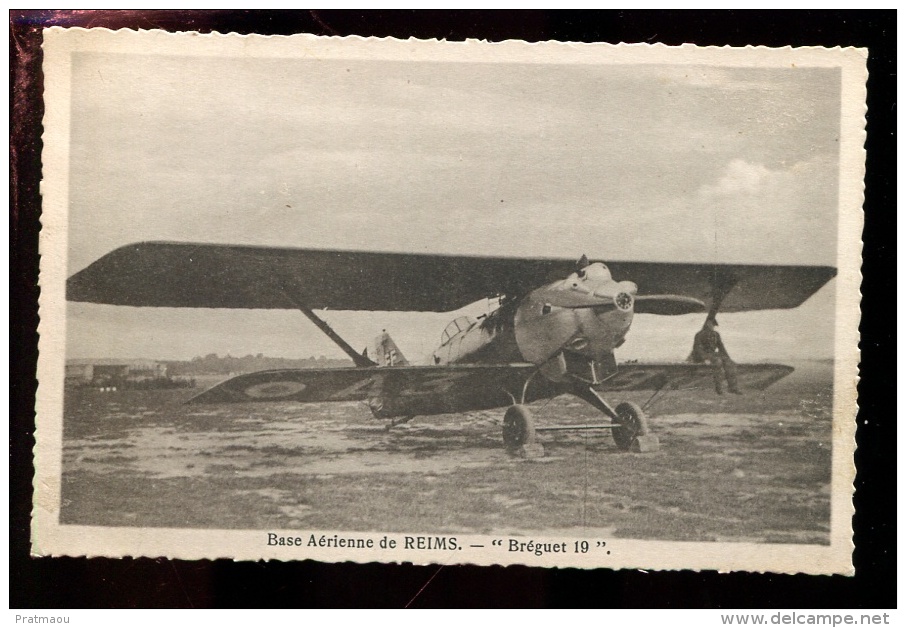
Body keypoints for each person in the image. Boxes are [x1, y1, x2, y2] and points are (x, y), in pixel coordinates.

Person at [690, 315, 741, 395]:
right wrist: (705, 358)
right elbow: (698, 349)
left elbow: (721, 347)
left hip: (712, 355)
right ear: (707, 324)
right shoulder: (699, 335)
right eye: (711, 325)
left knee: (729, 363)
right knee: (718, 362)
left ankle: (733, 388)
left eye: (713, 325)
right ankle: (719, 389)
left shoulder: (716, 335)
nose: (712, 327)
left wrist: (727, 358)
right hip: (700, 356)